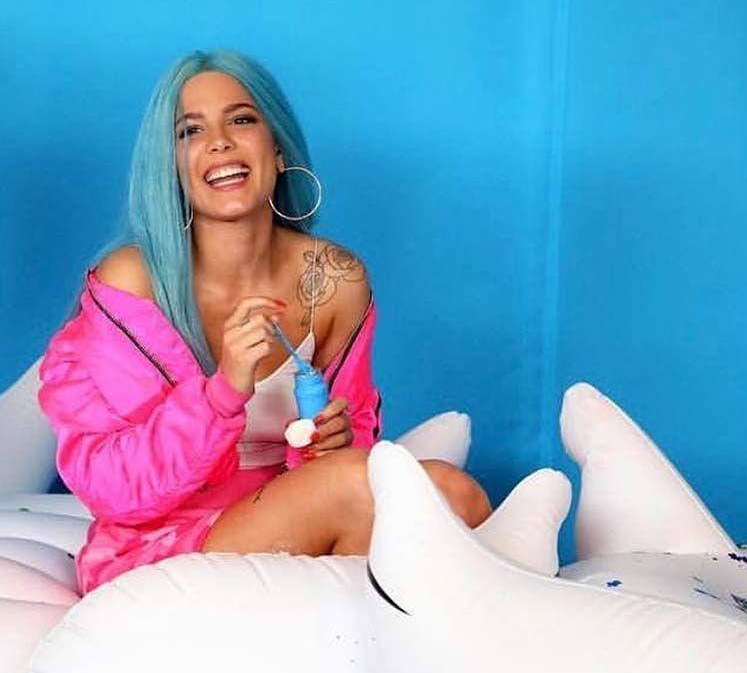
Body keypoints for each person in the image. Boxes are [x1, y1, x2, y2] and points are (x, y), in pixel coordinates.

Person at [38, 49, 492, 596]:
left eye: (241, 119)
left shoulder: (334, 279)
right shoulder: (132, 283)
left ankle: (372, 635)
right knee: (355, 488)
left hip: (300, 523)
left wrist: (329, 441)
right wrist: (223, 392)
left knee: (457, 495)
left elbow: (346, 445)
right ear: (172, 165)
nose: (219, 142)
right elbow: (112, 488)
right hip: (162, 548)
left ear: (277, 149)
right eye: (190, 130)